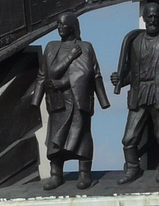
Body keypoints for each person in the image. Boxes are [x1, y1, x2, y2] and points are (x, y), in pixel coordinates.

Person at [32, 12, 110, 190]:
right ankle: (56, 174)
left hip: (79, 99)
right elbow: (43, 75)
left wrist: (103, 100)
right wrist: (35, 101)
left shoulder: (85, 47)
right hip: (57, 100)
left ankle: (84, 173)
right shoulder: (51, 47)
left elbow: (94, 74)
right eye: (58, 24)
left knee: (82, 136)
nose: (59, 27)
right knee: (55, 138)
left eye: (63, 24)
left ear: (72, 26)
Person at [111, 2, 159, 185]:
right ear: (144, 18)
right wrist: (120, 79)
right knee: (129, 138)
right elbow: (133, 73)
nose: (153, 20)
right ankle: (132, 168)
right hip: (139, 94)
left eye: (156, 16)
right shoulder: (135, 42)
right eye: (149, 16)